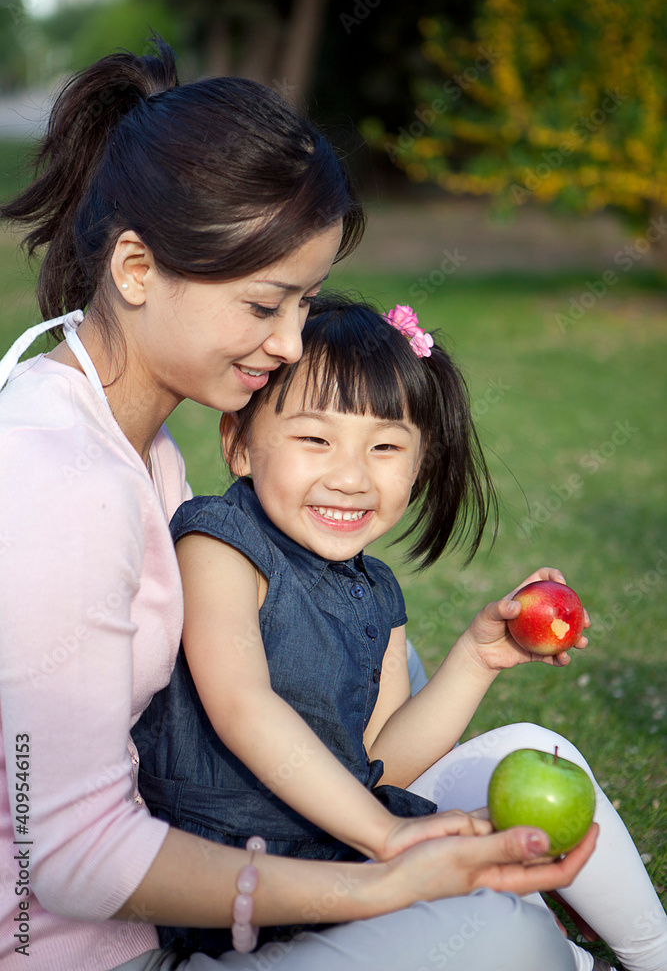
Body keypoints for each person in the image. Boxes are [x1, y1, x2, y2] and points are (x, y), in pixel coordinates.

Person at [0, 35, 602, 971]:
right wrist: (377, 876)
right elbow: (68, 855)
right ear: (134, 269)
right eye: (263, 305)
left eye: (305, 302)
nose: (289, 344)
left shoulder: (137, 441)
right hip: (74, 953)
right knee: (506, 939)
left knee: (522, 805)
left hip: (167, 907)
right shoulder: (54, 478)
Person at [133, 295, 667, 971]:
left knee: (534, 748)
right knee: (499, 928)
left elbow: (381, 757)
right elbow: (242, 707)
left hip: (349, 853)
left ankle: (651, 954)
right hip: (246, 888)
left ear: (418, 464)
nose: (351, 476)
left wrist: (477, 658)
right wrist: (385, 835)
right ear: (238, 443)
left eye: (385, 447)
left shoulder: (374, 590)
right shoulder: (220, 546)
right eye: (314, 439)